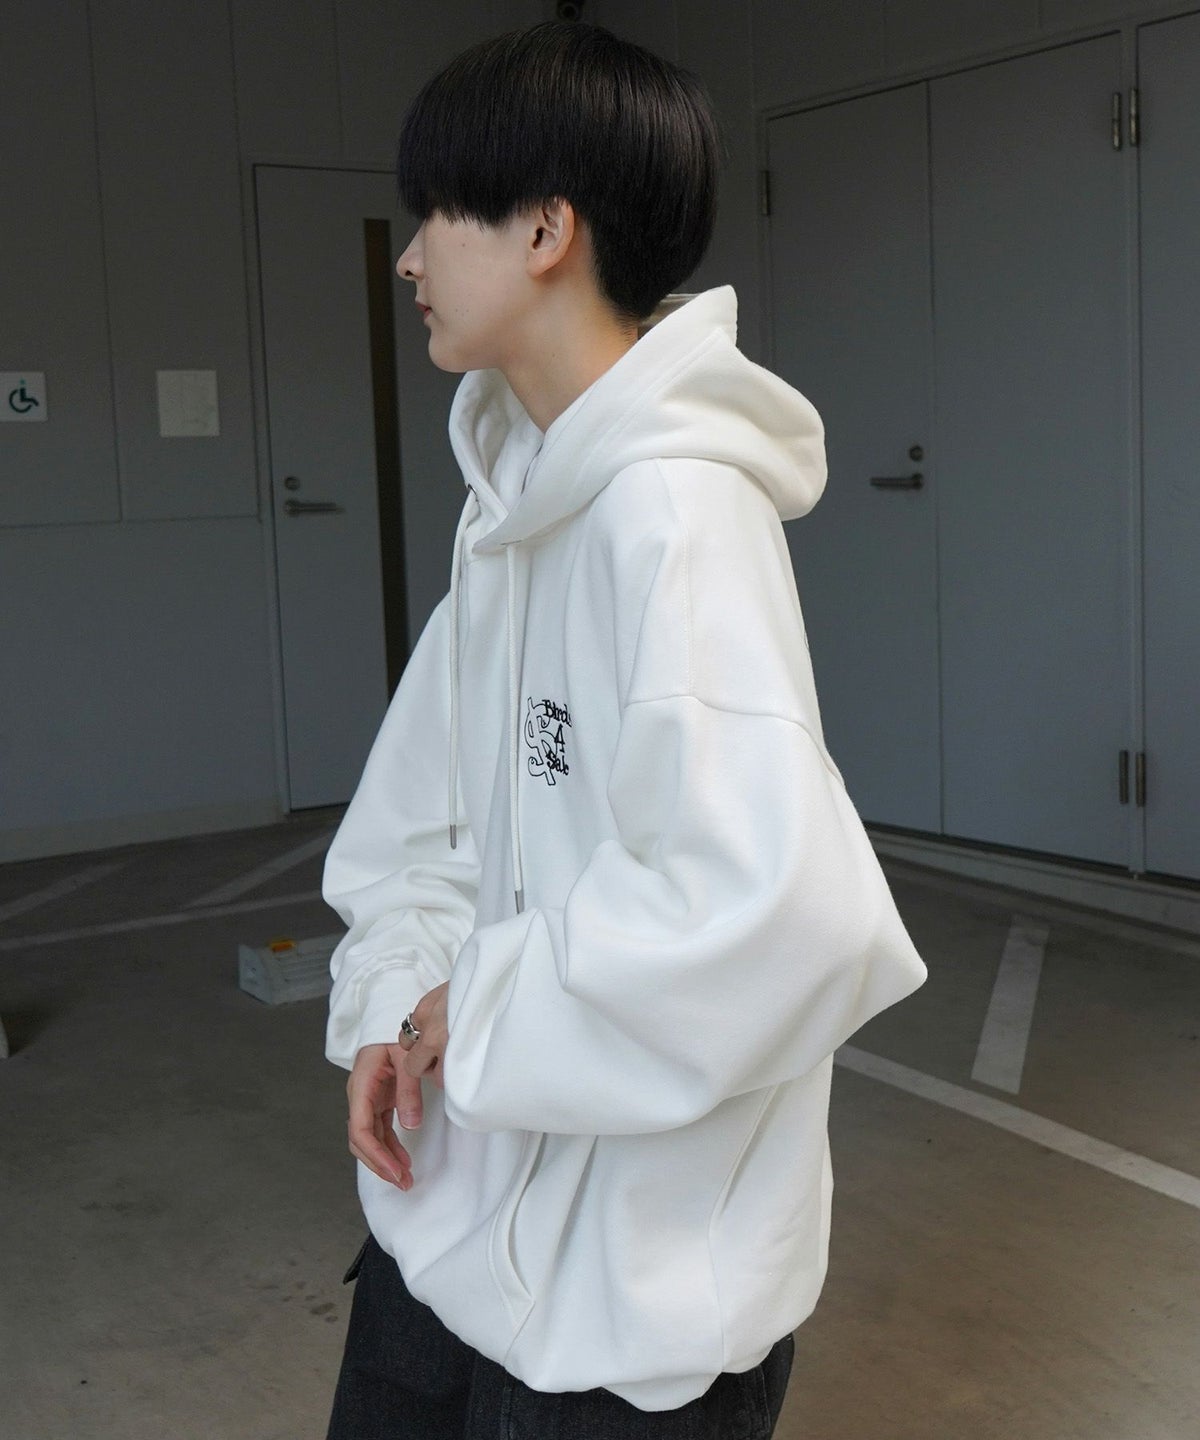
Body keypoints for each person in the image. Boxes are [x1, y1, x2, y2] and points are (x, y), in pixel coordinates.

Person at [321, 19, 927, 1439]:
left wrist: (477, 1010)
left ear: (545, 230)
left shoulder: (675, 516)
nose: (409, 259)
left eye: (439, 213)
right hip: (452, 1220)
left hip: (638, 1312)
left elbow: (778, 915)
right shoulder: (514, 503)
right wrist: (394, 1005)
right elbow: (426, 819)